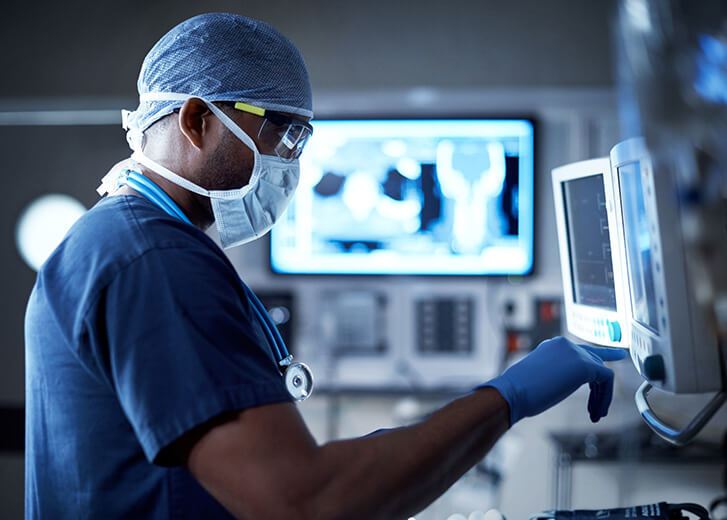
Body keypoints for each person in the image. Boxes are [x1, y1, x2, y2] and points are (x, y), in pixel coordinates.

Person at [24, 12, 627, 519]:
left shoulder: (116, 241)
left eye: (303, 141)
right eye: (283, 136)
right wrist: (510, 396)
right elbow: (306, 502)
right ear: (197, 119)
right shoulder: (154, 260)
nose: (293, 166)